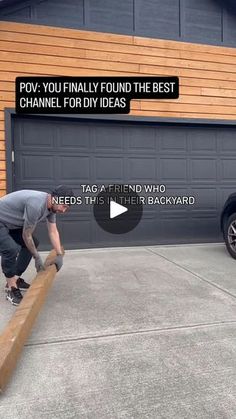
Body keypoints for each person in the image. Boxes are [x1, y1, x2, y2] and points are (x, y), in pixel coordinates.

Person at [0, 185, 74, 305]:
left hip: (11, 224)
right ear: (55, 198)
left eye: (67, 207)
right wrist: (37, 257)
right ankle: (11, 288)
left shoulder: (51, 208)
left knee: (33, 243)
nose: (64, 210)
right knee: (10, 249)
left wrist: (59, 254)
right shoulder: (36, 205)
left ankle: (16, 278)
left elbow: (53, 231)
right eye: (64, 206)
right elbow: (26, 235)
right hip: (1, 221)